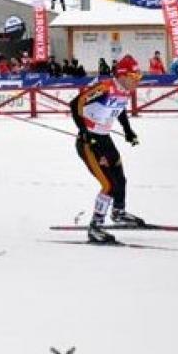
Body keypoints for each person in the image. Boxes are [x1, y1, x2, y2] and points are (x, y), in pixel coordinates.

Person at [69, 55, 143, 244]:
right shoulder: (105, 87)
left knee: (120, 178)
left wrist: (128, 131)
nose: (137, 82)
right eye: (134, 77)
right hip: (89, 142)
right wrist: (83, 131)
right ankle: (95, 227)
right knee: (108, 185)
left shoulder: (124, 91)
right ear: (123, 75)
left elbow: (119, 110)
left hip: (105, 138)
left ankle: (118, 212)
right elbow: (76, 103)